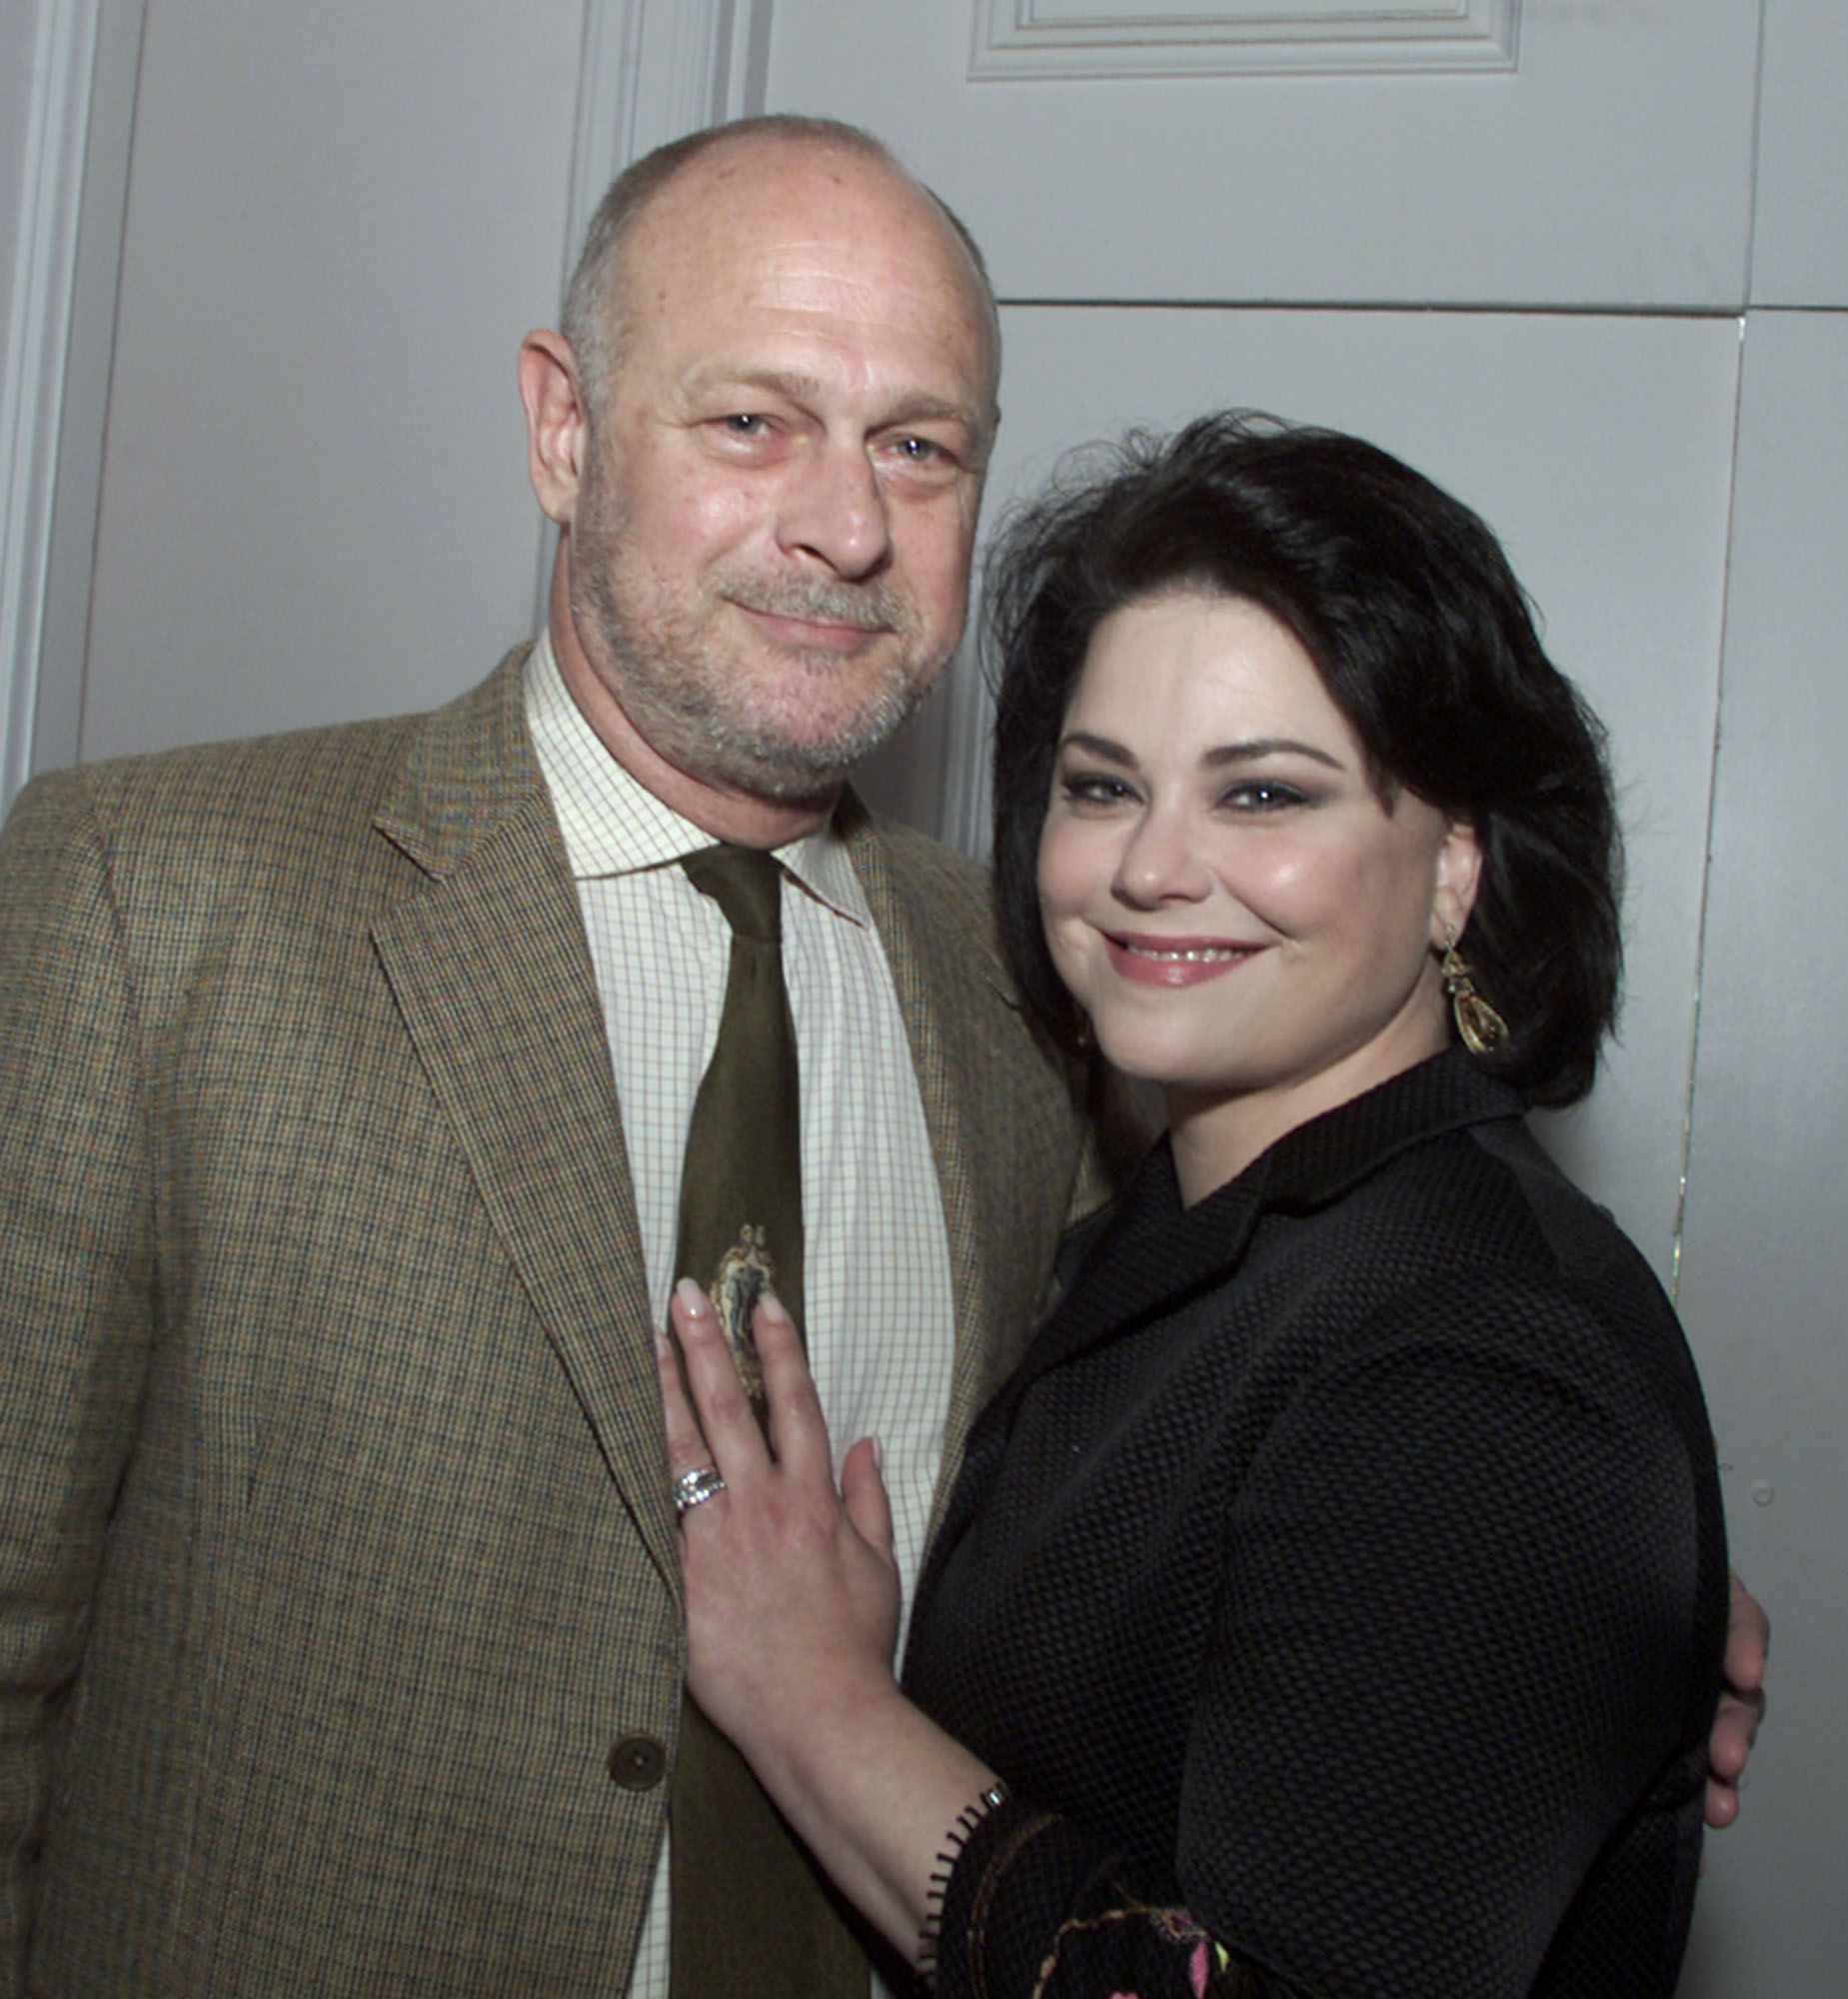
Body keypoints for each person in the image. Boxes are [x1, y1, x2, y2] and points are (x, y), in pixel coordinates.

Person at [0, 117, 1761, 1996]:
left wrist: (1533, 1621)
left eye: (917, 446)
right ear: (562, 428)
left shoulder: (1036, 1005)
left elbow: (1310, 1447)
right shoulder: (145, 901)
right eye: (753, 421)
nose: (845, 524)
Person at [658, 413, 1742, 1996]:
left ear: (1453, 864)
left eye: (1262, 797)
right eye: (1102, 787)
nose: (1150, 868)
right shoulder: (1177, 1237)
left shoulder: (1487, 1359)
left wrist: (810, 1696)